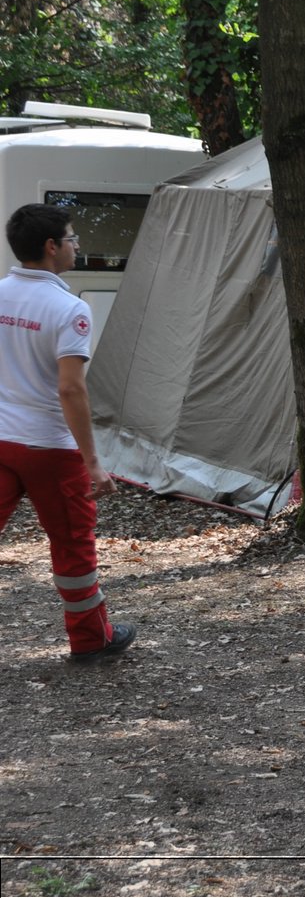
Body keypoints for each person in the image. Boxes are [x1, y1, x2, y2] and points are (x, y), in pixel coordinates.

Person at [0, 204, 134, 659]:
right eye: (73, 239)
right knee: (73, 544)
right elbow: (71, 390)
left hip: (1, 439)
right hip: (49, 449)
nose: (78, 246)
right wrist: (93, 463)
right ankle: (91, 639)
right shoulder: (69, 309)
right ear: (52, 247)